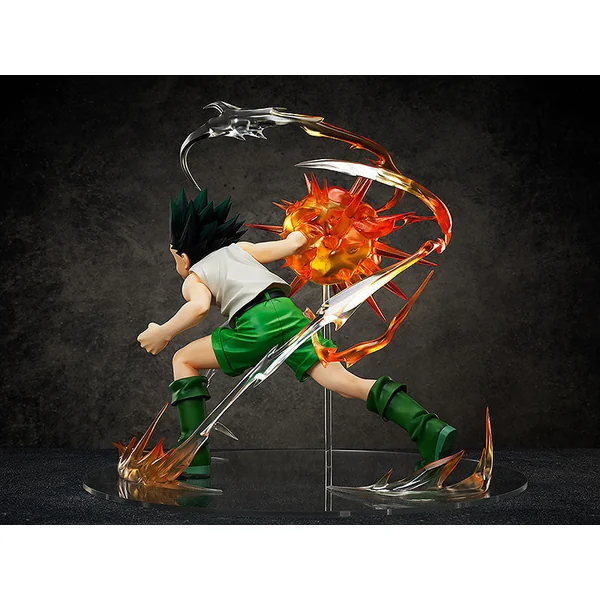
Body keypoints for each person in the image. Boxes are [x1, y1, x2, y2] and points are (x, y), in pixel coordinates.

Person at [137, 188, 456, 477]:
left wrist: (163, 332)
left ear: (183, 255)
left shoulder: (194, 276)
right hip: (290, 314)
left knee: (183, 359)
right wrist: (322, 222)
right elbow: (295, 243)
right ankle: (427, 428)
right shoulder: (241, 249)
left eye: (174, 258)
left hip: (256, 324)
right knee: (344, 384)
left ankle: (192, 456)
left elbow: (197, 308)